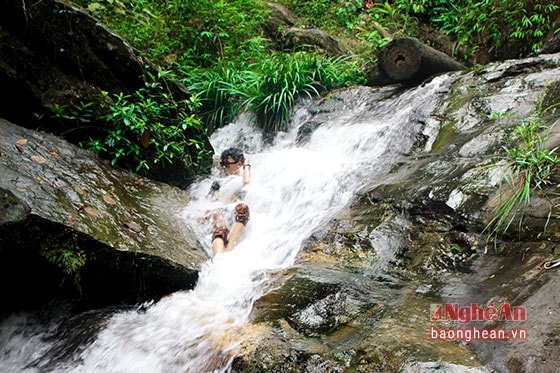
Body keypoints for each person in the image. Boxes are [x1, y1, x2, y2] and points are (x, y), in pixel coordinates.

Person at [206, 147, 251, 256]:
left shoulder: (241, 183)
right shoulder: (218, 183)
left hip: (233, 215)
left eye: (227, 164)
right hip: (217, 212)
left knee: (243, 208)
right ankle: (218, 259)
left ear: (239, 164)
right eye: (222, 164)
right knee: (220, 223)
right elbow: (207, 201)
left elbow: (246, 182)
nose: (224, 167)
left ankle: (229, 252)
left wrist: (247, 165)